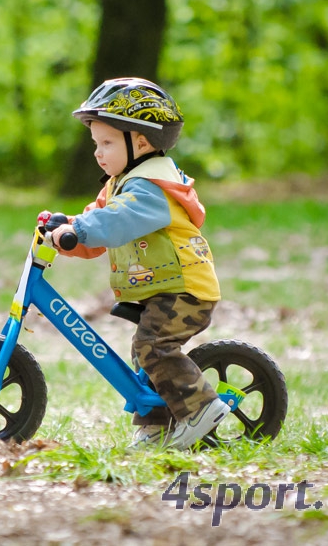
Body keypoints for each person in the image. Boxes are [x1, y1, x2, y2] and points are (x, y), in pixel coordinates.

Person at [45, 77, 227, 449]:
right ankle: (155, 427)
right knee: (143, 357)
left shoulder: (150, 187)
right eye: (96, 143)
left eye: (107, 143)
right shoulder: (120, 182)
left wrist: (79, 228)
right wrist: (67, 231)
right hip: (162, 286)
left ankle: (199, 410)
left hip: (185, 288)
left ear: (141, 141)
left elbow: (113, 222)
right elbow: (96, 224)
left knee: (153, 346)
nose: (98, 152)